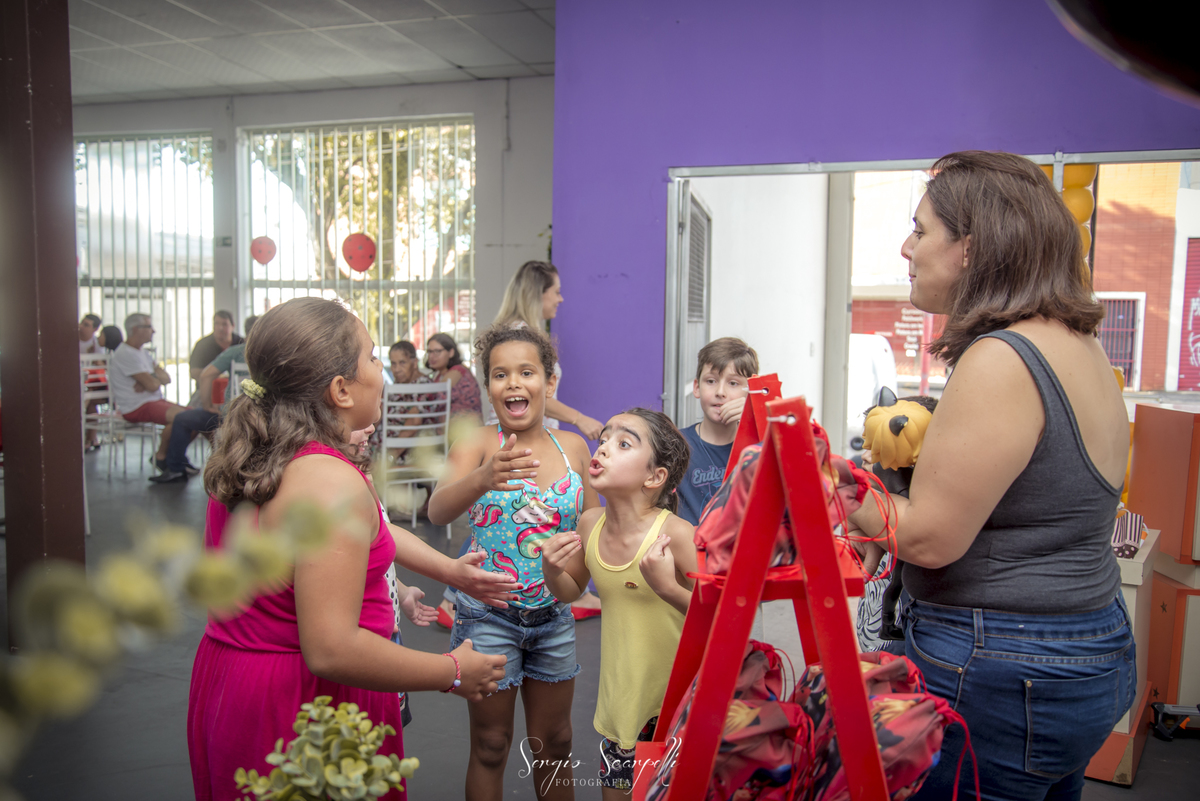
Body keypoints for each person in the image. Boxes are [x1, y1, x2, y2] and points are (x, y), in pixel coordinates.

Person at [846, 151, 1135, 801]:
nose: (906, 248)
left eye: (920, 230)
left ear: (971, 249)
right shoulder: (1076, 343)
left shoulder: (1002, 356)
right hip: (1083, 644)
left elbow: (928, 538)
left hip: (1002, 665)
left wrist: (833, 484)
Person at [188, 297, 511, 801]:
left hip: (232, 681)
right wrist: (452, 671)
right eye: (374, 357)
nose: (383, 371)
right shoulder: (330, 482)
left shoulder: (258, 452)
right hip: (304, 707)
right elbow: (332, 647)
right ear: (340, 389)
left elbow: (365, 535)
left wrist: (450, 571)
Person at [428, 324, 598, 801]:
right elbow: (437, 510)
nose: (514, 383)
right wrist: (482, 478)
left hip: (554, 618)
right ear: (489, 387)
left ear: (549, 382)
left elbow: (593, 524)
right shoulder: (477, 444)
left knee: (556, 742)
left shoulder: (574, 448)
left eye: (527, 372)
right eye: (500, 375)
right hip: (488, 618)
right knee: (491, 744)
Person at [541, 409, 695, 798]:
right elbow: (571, 590)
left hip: (676, 708)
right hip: (621, 707)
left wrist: (668, 588)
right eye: (604, 439)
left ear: (654, 477)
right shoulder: (589, 523)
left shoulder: (677, 536)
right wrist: (551, 570)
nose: (604, 448)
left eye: (623, 443)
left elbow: (723, 620)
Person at [488, 261, 604, 439]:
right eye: (556, 292)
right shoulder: (519, 337)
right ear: (538, 294)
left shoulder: (522, 334)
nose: (560, 299)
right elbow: (530, 392)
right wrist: (579, 419)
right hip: (517, 439)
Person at [151, 316, 258, 484]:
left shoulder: (236, 351)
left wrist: (208, 405)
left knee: (182, 419)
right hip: (266, 416)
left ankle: (176, 468)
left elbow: (206, 375)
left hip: (231, 416)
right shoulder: (275, 353)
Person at [677, 337, 759, 526]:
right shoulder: (677, 445)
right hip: (691, 543)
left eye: (733, 383)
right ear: (697, 387)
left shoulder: (759, 447)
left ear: (750, 392)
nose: (720, 392)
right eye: (711, 381)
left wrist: (755, 418)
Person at [108, 313, 187, 470]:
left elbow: (166, 378)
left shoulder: (144, 353)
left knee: (194, 416)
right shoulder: (124, 353)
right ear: (135, 329)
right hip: (136, 406)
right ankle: (164, 457)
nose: (154, 331)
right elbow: (152, 385)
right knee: (184, 418)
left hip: (154, 401)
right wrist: (152, 378)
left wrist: (148, 378)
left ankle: (170, 456)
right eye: (149, 326)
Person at [425, 332, 482, 424]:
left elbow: (432, 398)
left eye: (437, 351)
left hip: (466, 428)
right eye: (429, 352)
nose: (431, 356)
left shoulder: (457, 371)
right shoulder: (439, 375)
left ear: (451, 352)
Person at [189, 310, 244, 382]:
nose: (220, 328)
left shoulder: (241, 344)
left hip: (238, 387)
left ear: (233, 326)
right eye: (216, 323)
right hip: (209, 386)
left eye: (224, 324)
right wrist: (215, 375)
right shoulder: (202, 345)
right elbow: (193, 372)